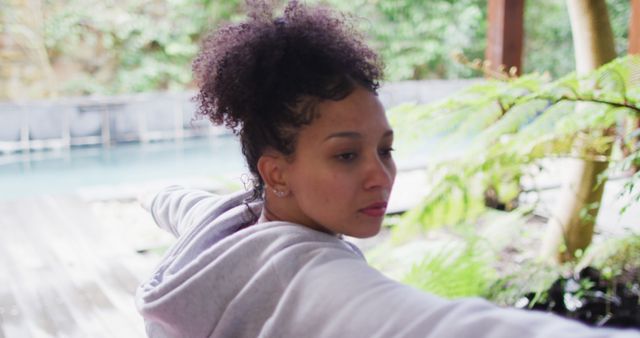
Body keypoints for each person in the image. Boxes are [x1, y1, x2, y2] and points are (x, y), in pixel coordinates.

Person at [135, 1, 639, 337]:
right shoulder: (312, 280)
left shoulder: (220, 227)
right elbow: (445, 327)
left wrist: (148, 194)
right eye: (346, 154)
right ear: (277, 173)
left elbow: (174, 201)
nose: (381, 176)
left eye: (386, 149)